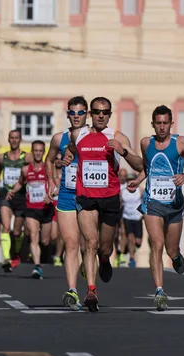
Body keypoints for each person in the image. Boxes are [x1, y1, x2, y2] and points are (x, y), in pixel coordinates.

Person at [63, 96, 144, 312]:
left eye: (105, 112)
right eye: (97, 111)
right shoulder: (78, 134)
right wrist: (64, 159)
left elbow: (140, 164)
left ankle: (105, 261)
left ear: (110, 114)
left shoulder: (117, 136)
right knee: (90, 242)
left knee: (104, 249)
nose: (101, 115)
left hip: (109, 199)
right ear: (90, 114)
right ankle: (91, 291)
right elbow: (69, 149)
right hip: (86, 198)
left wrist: (123, 151)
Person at [127, 105, 184, 311]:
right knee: (156, 244)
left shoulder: (180, 142)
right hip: (152, 203)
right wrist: (138, 180)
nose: (162, 127)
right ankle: (159, 291)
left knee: (171, 250)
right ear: (153, 124)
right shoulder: (146, 143)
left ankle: (177, 257)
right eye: (158, 123)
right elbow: (147, 168)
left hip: (174, 205)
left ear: (171, 123)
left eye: (165, 123)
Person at [45, 95, 91, 310]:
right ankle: (72, 290)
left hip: (90, 198)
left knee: (88, 246)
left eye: (80, 112)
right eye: (72, 113)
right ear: (68, 115)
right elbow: (49, 159)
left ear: (87, 115)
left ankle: (90, 282)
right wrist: (51, 181)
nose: (76, 116)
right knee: (71, 244)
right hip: (66, 195)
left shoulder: (95, 137)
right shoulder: (58, 138)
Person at [7, 140, 53, 279]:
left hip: (46, 208)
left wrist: (51, 195)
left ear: (44, 152)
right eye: (36, 150)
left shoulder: (48, 169)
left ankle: (42, 258)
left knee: (45, 240)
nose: (38, 153)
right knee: (33, 236)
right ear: (32, 152)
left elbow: (56, 184)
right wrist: (12, 191)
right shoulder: (26, 169)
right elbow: (20, 183)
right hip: (31, 208)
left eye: (40, 151)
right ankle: (37, 266)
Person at [0, 130, 32, 272]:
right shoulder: (2, 158)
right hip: (6, 195)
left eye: (17, 138)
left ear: (20, 140)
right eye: (12, 138)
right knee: (5, 225)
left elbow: (34, 173)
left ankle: (15, 253)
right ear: (8, 140)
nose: (14, 140)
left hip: (20, 196)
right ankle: (6, 258)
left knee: (16, 232)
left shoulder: (27, 157)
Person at [121, 172, 144, 268]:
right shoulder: (122, 191)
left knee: (138, 242)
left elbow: (146, 200)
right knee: (130, 237)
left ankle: (131, 247)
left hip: (137, 217)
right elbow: (119, 204)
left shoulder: (140, 190)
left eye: (132, 180)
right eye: (128, 180)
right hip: (127, 217)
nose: (130, 182)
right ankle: (132, 258)